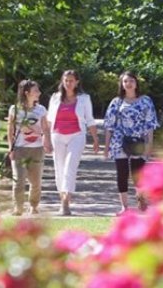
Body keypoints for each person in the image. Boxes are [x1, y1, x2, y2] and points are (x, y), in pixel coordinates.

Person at [102, 71, 159, 214]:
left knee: (138, 173)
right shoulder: (116, 102)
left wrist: (149, 144)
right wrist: (106, 146)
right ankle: (124, 206)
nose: (128, 84)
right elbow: (109, 125)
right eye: (125, 81)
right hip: (119, 141)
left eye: (131, 81)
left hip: (138, 139)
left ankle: (141, 199)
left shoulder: (145, 100)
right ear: (121, 84)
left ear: (136, 83)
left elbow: (149, 124)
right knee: (121, 173)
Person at [46, 69, 100, 215]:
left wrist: (95, 139)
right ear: (62, 82)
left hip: (76, 135)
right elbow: (49, 119)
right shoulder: (55, 97)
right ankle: (62, 198)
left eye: (71, 80)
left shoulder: (84, 98)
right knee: (59, 168)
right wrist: (45, 139)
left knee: (70, 167)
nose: (68, 83)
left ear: (77, 82)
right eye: (66, 80)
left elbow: (89, 119)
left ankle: (65, 202)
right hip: (57, 135)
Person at [7, 79, 51, 215]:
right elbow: (10, 130)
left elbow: (45, 128)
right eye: (36, 91)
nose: (39, 93)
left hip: (36, 149)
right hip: (20, 149)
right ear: (27, 93)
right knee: (19, 180)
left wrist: (47, 142)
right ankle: (18, 207)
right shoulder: (14, 109)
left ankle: (34, 205)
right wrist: (11, 148)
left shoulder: (41, 109)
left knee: (36, 181)